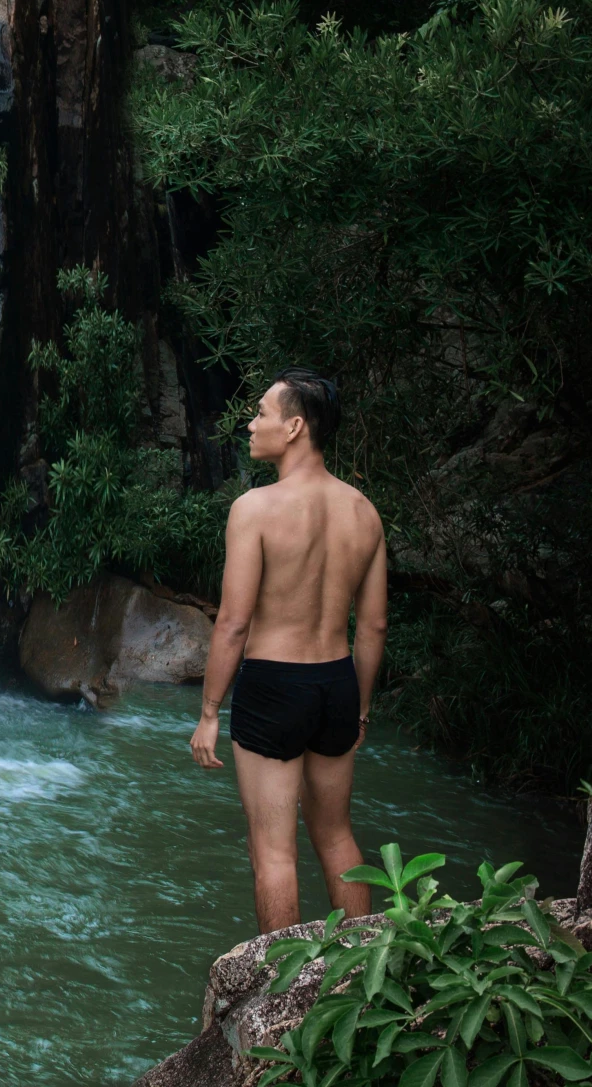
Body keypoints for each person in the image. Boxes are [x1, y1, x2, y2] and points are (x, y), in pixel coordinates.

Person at [187, 369, 390, 933]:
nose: (250, 425)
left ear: (295, 427)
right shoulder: (364, 512)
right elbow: (372, 625)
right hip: (337, 685)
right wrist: (361, 709)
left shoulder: (254, 508)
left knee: (273, 851)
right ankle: (360, 971)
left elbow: (232, 622)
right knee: (337, 835)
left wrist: (208, 713)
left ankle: (282, 997)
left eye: (261, 414)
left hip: (274, 685)